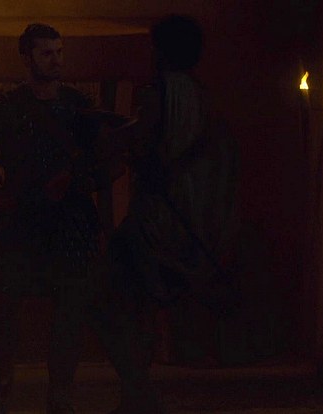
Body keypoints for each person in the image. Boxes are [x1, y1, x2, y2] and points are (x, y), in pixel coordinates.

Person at [0, 23, 139, 414]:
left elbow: (111, 164)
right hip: (20, 221)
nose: (56, 60)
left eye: (60, 52)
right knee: (8, 310)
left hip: (69, 221)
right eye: (47, 53)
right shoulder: (5, 110)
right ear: (27, 58)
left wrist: (76, 182)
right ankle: (1, 388)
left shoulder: (80, 107)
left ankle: (60, 395)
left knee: (70, 310)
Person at [101, 13, 241, 414]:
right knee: (139, 306)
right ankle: (136, 395)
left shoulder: (157, 92)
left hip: (157, 218)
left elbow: (147, 148)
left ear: (162, 50)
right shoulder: (203, 96)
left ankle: (137, 392)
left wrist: (115, 139)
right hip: (187, 217)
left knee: (112, 299)